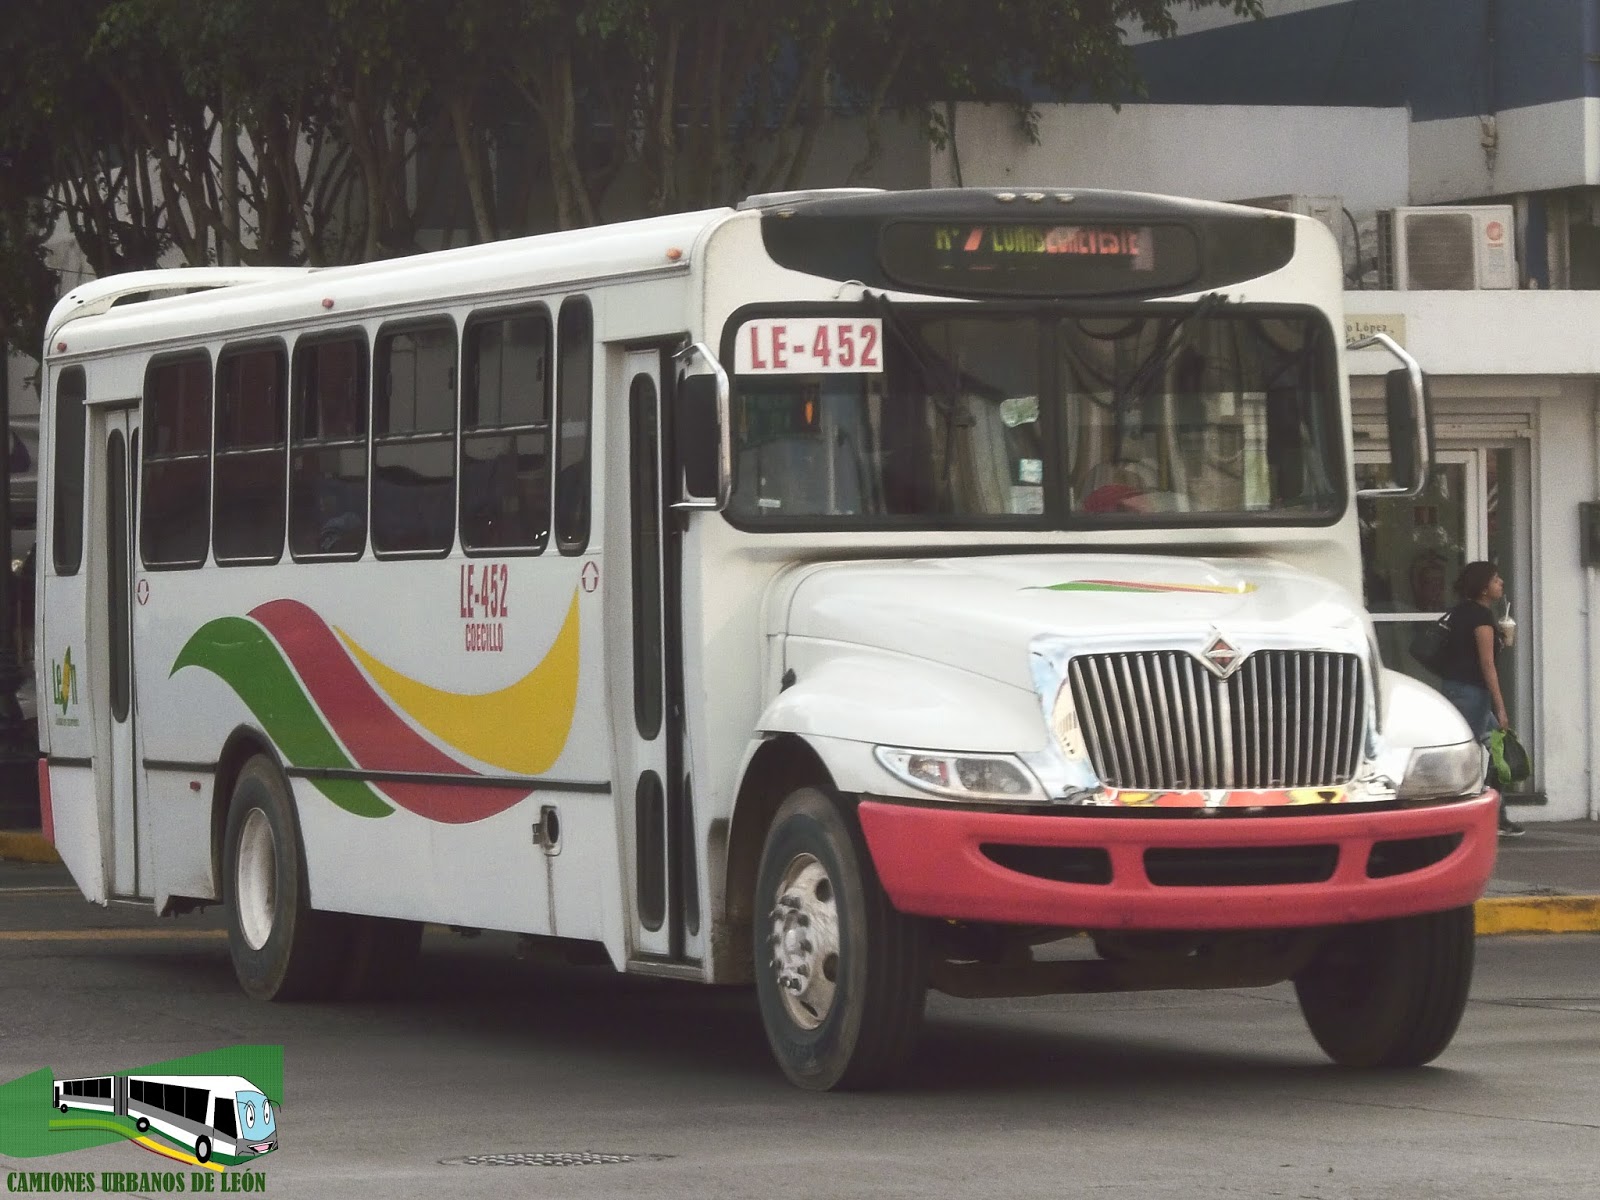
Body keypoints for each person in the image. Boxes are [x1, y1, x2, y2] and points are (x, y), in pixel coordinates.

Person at [1434, 560, 1523, 836]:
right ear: (1484, 588)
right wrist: (1501, 706)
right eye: (1496, 580)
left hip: (1454, 687)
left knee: (1487, 751)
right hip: (1473, 693)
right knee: (1480, 753)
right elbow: (1487, 666)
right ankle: (1474, 816)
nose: (1501, 583)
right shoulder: (1482, 618)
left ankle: (1492, 814)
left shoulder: (1459, 613)